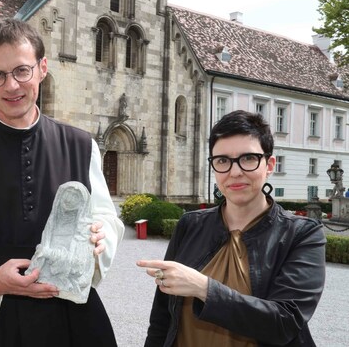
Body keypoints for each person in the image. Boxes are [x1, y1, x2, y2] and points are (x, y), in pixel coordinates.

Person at [0, 18, 125, 346]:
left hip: (72, 317)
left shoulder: (80, 145)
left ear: (42, 68)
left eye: (22, 71)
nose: (11, 86)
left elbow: (105, 219)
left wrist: (101, 237)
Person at [138, 110, 326, 346]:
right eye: (223, 161)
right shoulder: (190, 225)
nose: (235, 172)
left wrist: (203, 288)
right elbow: (161, 319)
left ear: (269, 165)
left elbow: (284, 322)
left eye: (248, 158)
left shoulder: (301, 234)